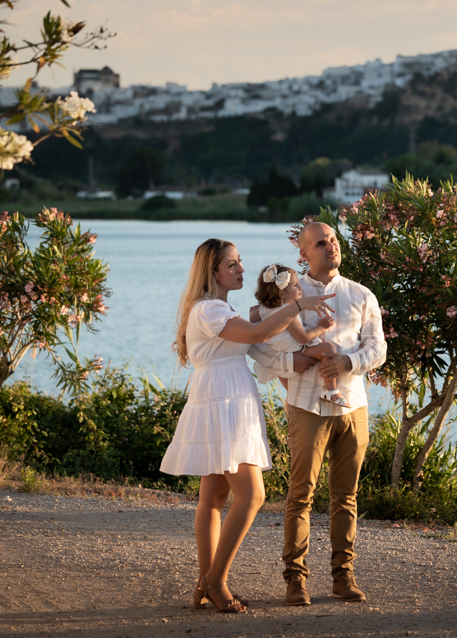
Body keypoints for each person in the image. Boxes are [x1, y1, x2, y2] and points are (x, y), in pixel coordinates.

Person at [160, 238, 335, 614]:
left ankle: (206, 583)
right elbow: (257, 335)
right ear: (213, 272)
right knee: (252, 496)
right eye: (233, 265)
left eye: (240, 262)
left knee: (214, 499)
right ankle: (215, 581)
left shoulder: (221, 308)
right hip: (223, 402)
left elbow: (260, 332)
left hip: (227, 398)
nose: (241, 269)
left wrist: (291, 330)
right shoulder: (208, 310)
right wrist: (298, 304)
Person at [251, 222, 387, 607]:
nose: (332, 246)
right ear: (304, 254)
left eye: (334, 241)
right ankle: (295, 579)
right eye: (322, 243)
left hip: (353, 407)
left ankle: (344, 576)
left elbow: (378, 350)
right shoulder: (286, 296)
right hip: (306, 406)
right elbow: (262, 348)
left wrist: (346, 361)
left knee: (346, 495)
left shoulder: (361, 295)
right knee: (301, 494)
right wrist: (296, 367)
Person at [254, 263, 348, 407]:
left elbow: (253, 320)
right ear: (282, 293)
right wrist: (321, 326)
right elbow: (303, 337)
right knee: (328, 349)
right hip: (296, 350)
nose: (301, 288)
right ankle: (331, 390)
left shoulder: (263, 309)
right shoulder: (287, 311)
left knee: (289, 390)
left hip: (279, 357)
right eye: (296, 285)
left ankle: (290, 400)